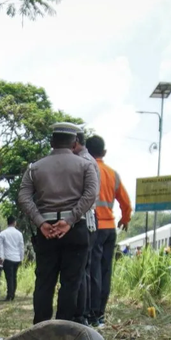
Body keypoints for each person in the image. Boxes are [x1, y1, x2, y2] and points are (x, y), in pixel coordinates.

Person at [18, 122, 98, 324]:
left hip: (46, 231)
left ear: (52, 142)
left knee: (44, 281)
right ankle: (64, 328)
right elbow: (91, 195)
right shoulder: (86, 166)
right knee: (71, 282)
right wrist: (69, 220)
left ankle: (41, 328)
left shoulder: (35, 168)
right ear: (74, 143)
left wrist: (40, 222)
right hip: (75, 229)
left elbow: (24, 197)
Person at [86, 135, 132, 327]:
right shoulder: (113, 174)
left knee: (92, 272)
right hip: (110, 229)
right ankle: (101, 314)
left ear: (85, 151)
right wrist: (125, 219)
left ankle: (92, 314)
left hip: (92, 227)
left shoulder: (87, 170)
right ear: (104, 153)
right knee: (106, 271)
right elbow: (126, 202)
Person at [73, 131, 100, 323]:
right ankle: (84, 312)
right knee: (84, 269)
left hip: (85, 220)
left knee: (81, 269)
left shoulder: (84, 162)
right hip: (87, 219)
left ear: (75, 142)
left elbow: (89, 196)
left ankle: (81, 314)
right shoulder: (86, 160)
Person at [0, 216, 24, 301]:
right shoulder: (19, 234)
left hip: (7, 258)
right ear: (14, 222)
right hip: (16, 258)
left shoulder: (3, 233)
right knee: (14, 277)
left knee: (9, 277)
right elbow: (21, 247)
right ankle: (12, 294)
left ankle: (9, 295)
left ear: (7, 222)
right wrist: (21, 258)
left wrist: (0, 257)